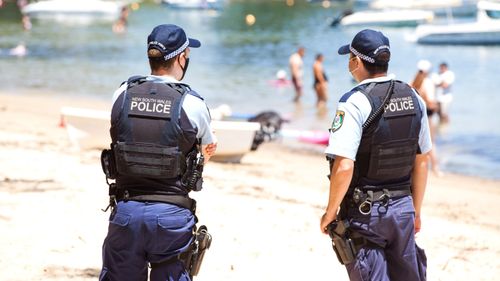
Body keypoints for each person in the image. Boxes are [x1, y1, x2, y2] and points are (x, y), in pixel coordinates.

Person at [99, 24, 217, 281]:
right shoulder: (193, 103)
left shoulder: (122, 93)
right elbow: (208, 149)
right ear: (181, 57)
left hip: (126, 211)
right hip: (171, 216)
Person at [320, 29, 432, 281]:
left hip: (366, 214)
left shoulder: (354, 103)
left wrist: (330, 212)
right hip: (403, 209)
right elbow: (422, 159)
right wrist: (416, 210)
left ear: (356, 62)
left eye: (349, 57)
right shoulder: (414, 97)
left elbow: (344, 165)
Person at [411, 60, 441, 175]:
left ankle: (417, 167)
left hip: (416, 115)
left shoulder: (413, 80)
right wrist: (436, 106)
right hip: (428, 115)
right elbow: (430, 100)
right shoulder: (427, 82)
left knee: (417, 143)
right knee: (431, 143)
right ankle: (435, 168)